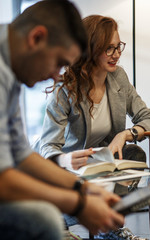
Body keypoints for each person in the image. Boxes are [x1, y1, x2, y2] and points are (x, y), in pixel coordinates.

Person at [0, 1, 125, 240]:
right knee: (44, 220)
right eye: (59, 62)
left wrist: (84, 189)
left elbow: (21, 154)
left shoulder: (11, 68)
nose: (56, 75)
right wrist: (78, 205)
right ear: (37, 38)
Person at [34, 15, 150, 240]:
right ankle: (71, 222)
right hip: (71, 166)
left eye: (118, 46)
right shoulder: (66, 89)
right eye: (108, 49)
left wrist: (126, 134)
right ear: (91, 49)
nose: (117, 54)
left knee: (135, 154)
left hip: (101, 163)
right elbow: (47, 145)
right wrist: (65, 160)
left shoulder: (118, 77)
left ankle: (106, 228)